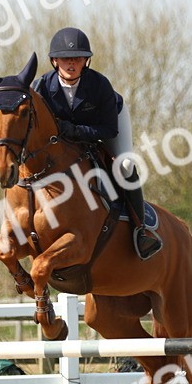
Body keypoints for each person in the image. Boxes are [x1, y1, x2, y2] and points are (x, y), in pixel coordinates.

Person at [33, 27, 163, 260]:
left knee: (125, 166)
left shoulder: (100, 84)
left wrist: (75, 131)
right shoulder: (41, 87)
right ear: (54, 61)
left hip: (106, 124)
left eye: (78, 58)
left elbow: (108, 129)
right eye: (65, 59)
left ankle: (140, 229)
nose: (71, 64)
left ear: (86, 61)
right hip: (63, 141)